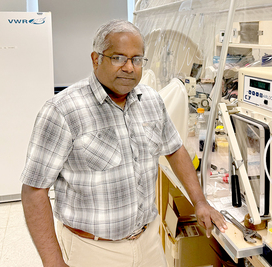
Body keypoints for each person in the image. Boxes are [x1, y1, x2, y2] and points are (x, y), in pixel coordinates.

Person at [20, 19, 227, 267]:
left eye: (137, 59)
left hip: (148, 241)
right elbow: (34, 191)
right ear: (96, 59)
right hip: (93, 249)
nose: (129, 67)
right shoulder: (63, 111)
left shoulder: (151, 101)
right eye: (118, 58)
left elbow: (175, 149)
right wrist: (52, 261)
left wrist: (200, 201)